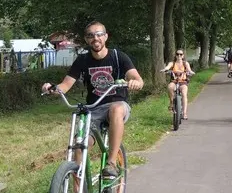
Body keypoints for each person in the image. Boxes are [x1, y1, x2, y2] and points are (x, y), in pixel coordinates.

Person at [42, 21, 144, 177]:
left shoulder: (119, 56)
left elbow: (137, 79)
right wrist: (52, 88)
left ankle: (111, 163)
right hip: (94, 109)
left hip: (117, 105)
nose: (95, 38)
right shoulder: (82, 60)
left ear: (106, 37)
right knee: (79, 145)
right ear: (86, 39)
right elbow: (65, 85)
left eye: (99, 34)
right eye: (90, 35)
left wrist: (135, 82)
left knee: (116, 109)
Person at [160, 49, 193, 120]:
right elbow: (168, 67)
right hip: (174, 81)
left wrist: (191, 72)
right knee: (170, 87)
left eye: (181, 54)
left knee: (184, 94)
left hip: (183, 81)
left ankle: (184, 113)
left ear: (183, 56)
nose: (179, 56)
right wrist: (165, 69)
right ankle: (172, 103)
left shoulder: (185, 63)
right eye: (177, 54)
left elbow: (189, 69)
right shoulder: (172, 63)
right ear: (175, 55)